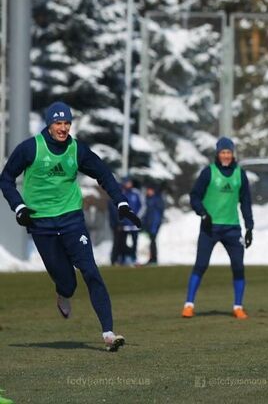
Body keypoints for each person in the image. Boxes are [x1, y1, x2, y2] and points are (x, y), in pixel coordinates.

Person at [0, 101, 140, 351]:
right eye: (58, 123)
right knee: (67, 282)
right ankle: (63, 292)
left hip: (72, 219)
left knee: (90, 271)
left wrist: (121, 203)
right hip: (41, 223)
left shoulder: (77, 150)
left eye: (67, 123)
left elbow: (104, 174)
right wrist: (19, 207)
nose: (63, 128)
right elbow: (6, 179)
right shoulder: (31, 148)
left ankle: (108, 333)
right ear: (49, 125)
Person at [182, 137, 254, 319]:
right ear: (217, 153)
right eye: (223, 152)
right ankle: (188, 305)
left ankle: (238, 306)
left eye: (229, 152)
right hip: (210, 228)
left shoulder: (240, 174)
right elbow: (195, 196)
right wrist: (203, 214)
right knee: (201, 265)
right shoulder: (208, 172)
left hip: (232, 228)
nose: (226, 156)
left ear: (233, 154)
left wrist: (249, 227)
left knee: (238, 267)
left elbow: (246, 202)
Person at [120, 177, 142, 265]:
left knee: (134, 241)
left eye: (129, 182)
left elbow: (142, 205)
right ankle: (124, 258)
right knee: (124, 242)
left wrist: (137, 217)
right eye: (127, 182)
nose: (128, 184)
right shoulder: (122, 193)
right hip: (125, 223)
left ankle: (133, 257)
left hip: (134, 224)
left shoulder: (136, 193)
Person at [142, 184, 165, 265]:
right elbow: (147, 213)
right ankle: (152, 258)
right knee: (152, 241)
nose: (148, 192)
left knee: (153, 241)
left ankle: (153, 259)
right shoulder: (149, 199)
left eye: (150, 190)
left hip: (154, 224)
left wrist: (154, 225)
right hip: (150, 224)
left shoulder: (156, 200)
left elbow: (157, 215)